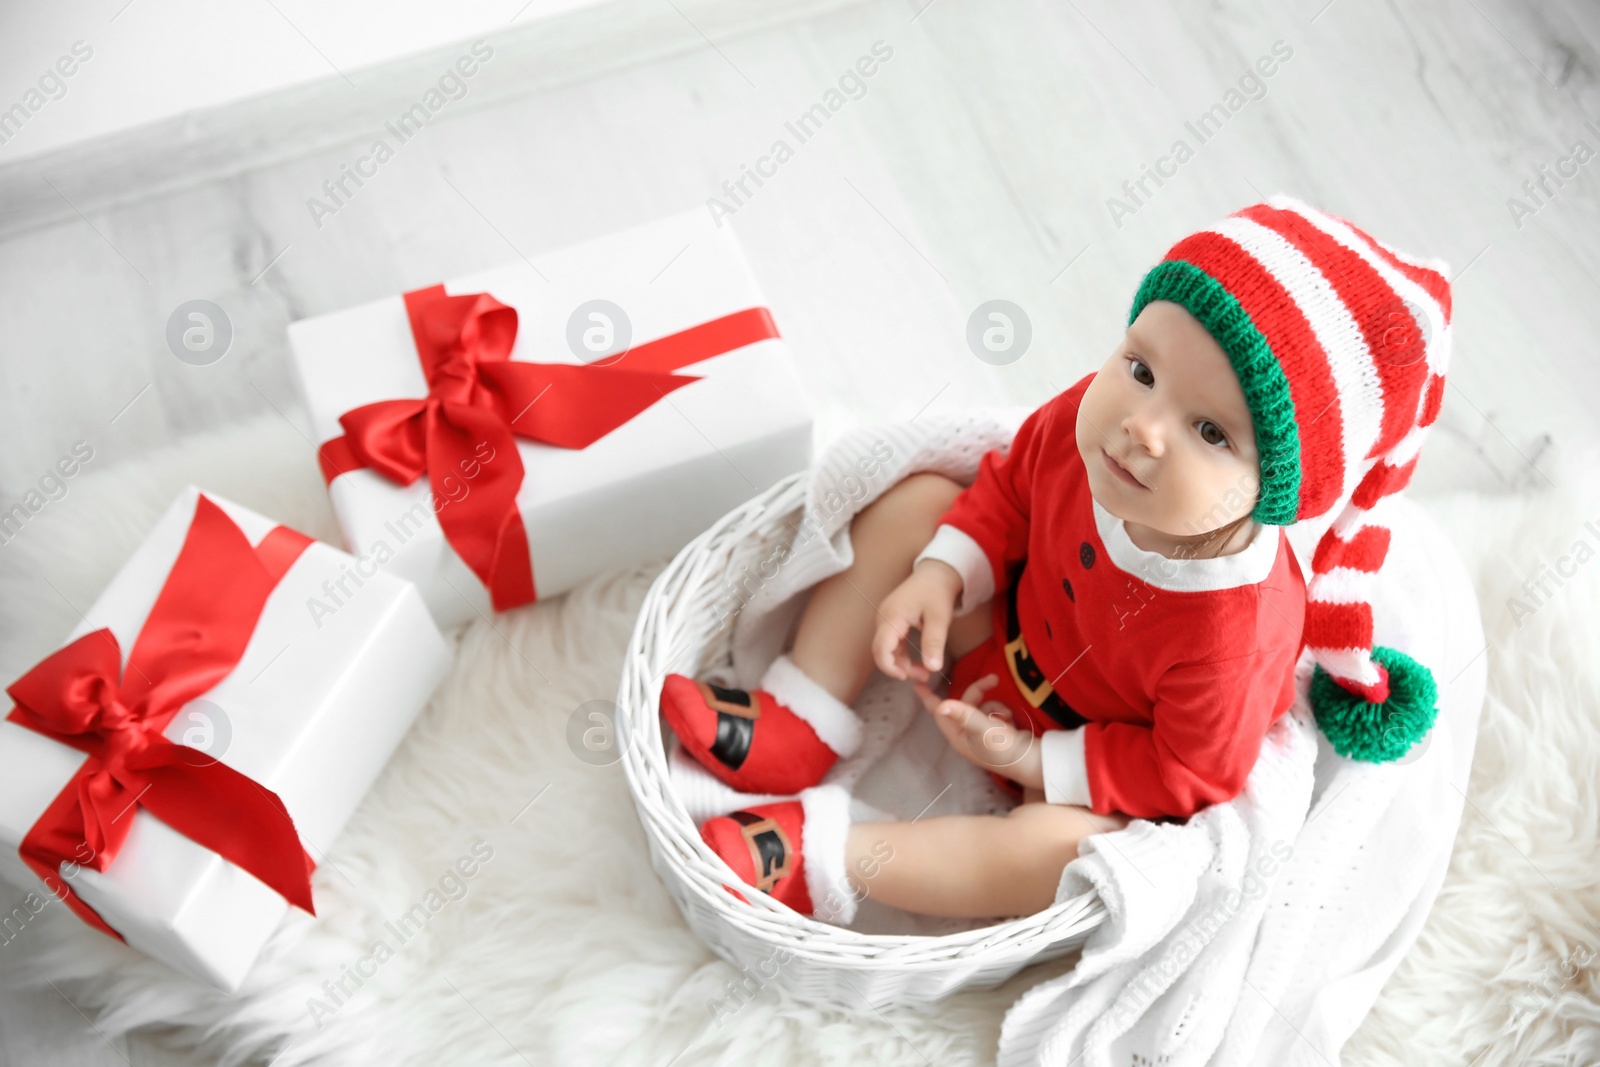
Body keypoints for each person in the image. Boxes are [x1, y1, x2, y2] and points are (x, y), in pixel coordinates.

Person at [659, 195, 1451, 924]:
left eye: (1210, 432)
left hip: (1078, 758)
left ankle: (831, 855)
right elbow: (1007, 491)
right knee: (919, 500)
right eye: (1141, 369)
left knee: (1066, 855)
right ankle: (802, 713)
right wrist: (942, 575)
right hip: (989, 644)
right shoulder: (1092, 428)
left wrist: (1038, 759)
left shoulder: (1231, 631)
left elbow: (1187, 774)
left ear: (1276, 493)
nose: (1144, 427)